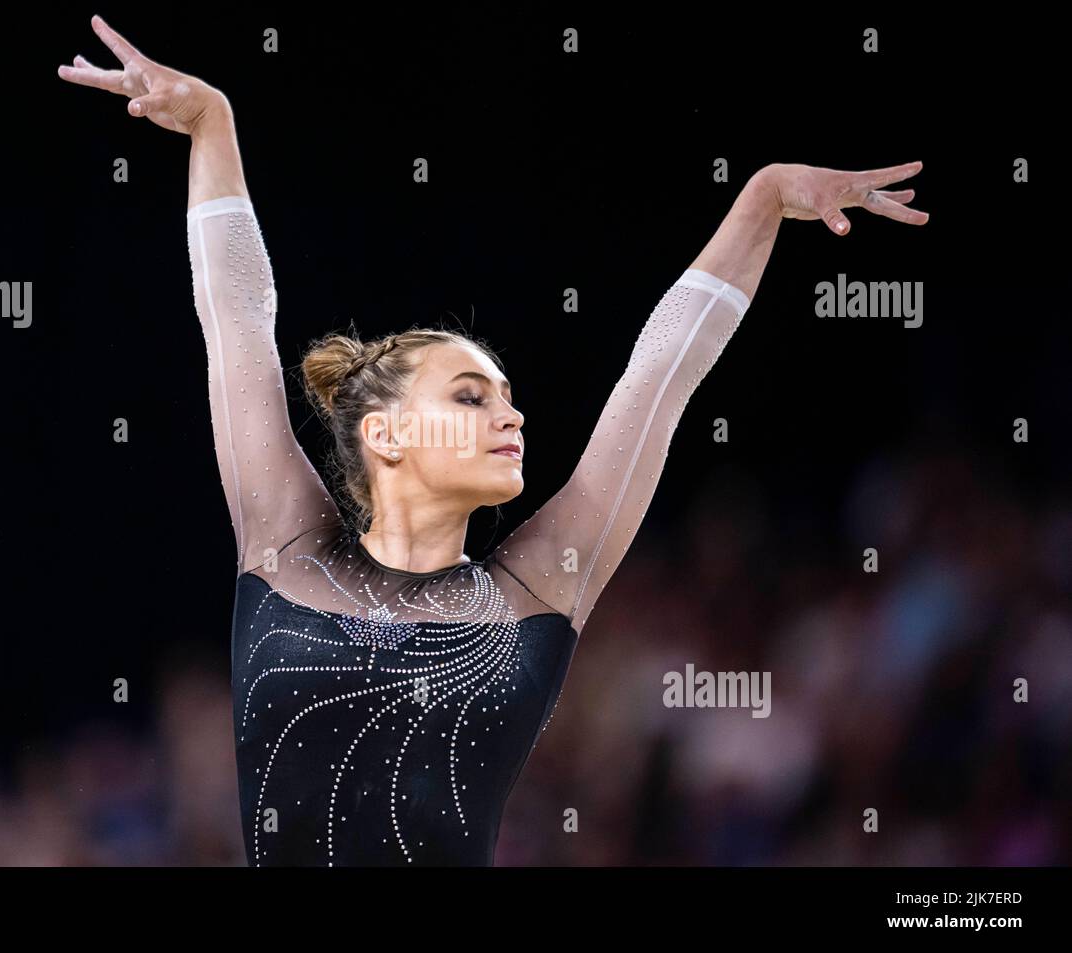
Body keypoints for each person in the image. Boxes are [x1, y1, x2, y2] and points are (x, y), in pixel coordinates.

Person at [59, 15, 928, 866]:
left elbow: (660, 379)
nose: (511, 417)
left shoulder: (534, 592)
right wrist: (213, 122)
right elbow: (237, 323)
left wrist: (766, 195)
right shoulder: (285, 541)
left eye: (509, 398)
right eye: (472, 397)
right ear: (385, 433)